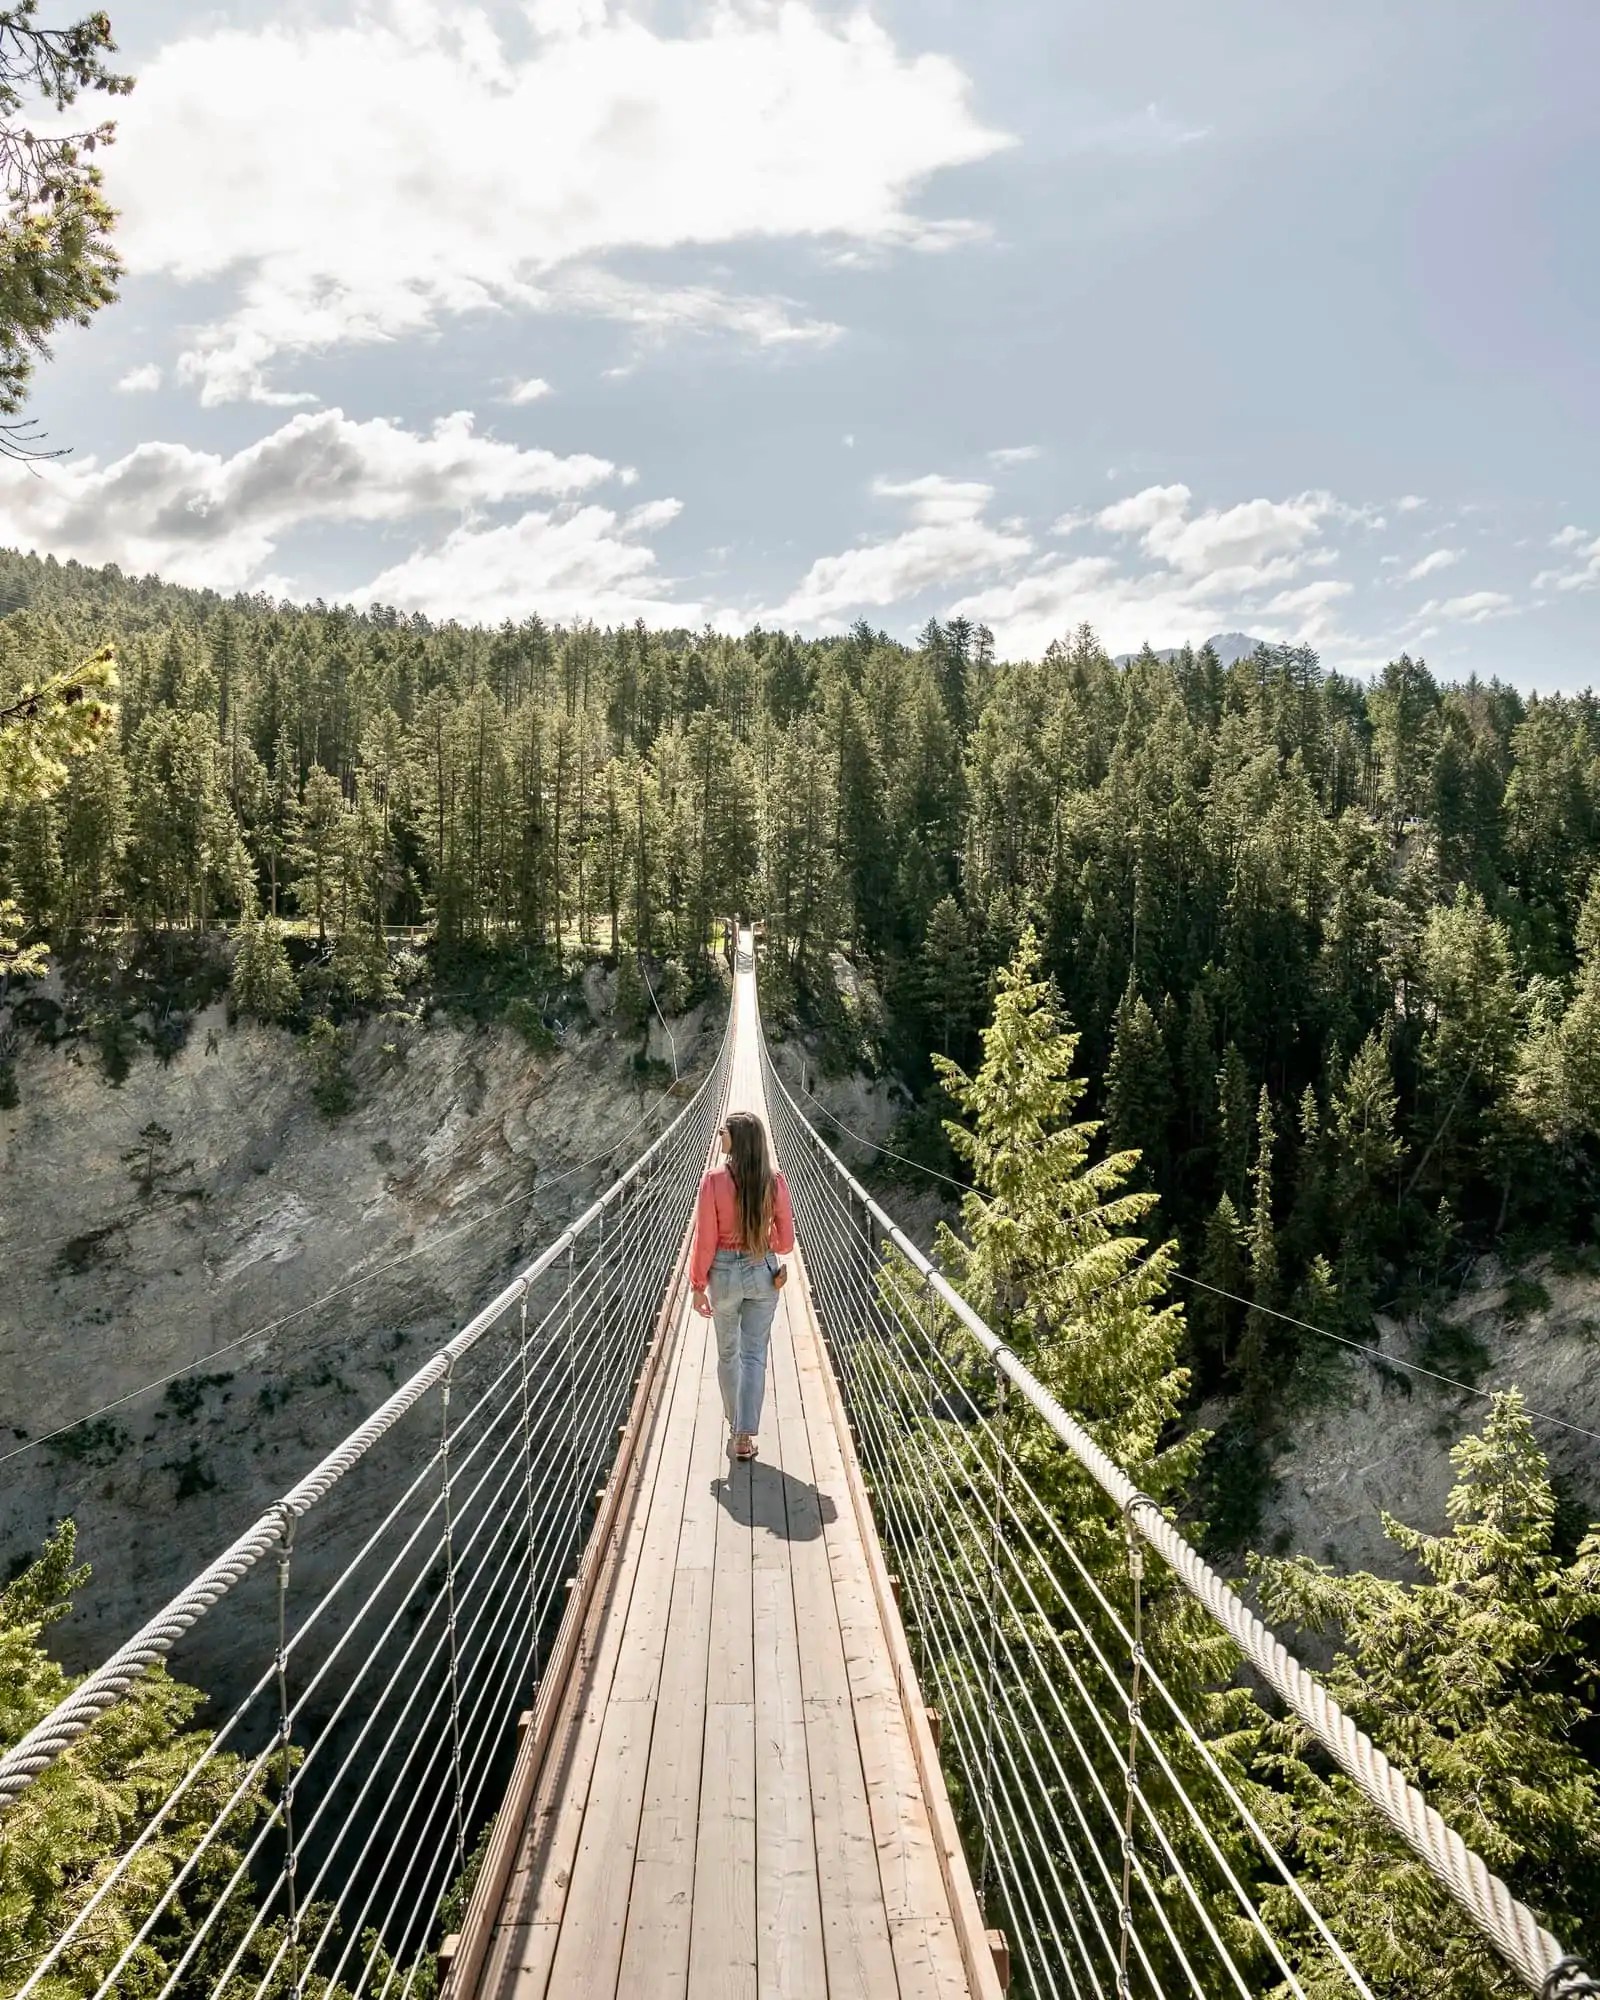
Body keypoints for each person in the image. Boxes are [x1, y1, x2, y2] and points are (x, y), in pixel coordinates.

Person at [689, 1110, 795, 1460]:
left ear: (735, 1139)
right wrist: (764, 1244)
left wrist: (696, 1284)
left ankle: (736, 1426)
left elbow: (705, 1239)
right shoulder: (774, 1181)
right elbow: (785, 1243)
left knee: (728, 1354)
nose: (719, 1138)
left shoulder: (713, 1180)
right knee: (754, 1356)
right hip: (762, 1270)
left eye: (723, 1133)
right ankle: (744, 1437)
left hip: (723, 1275)